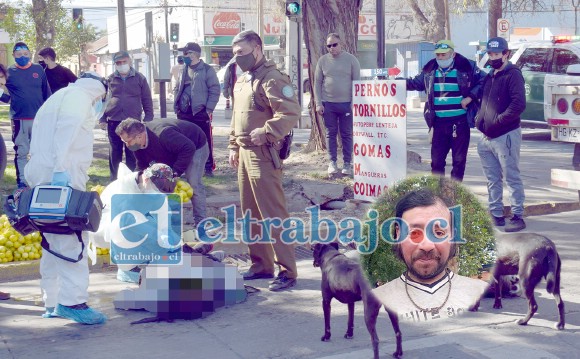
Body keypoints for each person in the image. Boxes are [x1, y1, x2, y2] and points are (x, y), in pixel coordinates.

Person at [23, 72, 108, 325]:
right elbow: (66, 132)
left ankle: (52, 301)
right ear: (99, 93)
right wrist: (61, 168)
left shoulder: (57, 97)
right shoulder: (80, 99)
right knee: (72, 242)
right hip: (62, 177)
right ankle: (73, 303)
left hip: (41, 175)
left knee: (51, 241)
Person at [229, 30, 301, 292]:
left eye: (242, 53)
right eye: (235, 54)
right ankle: (261, 264)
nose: (238, 59)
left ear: (257, 49)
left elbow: (291, 112)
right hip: (245, 153)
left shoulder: (272, 78)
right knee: (251, 214)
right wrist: (233, 145)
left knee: (273, 214)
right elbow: (238, 116)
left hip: (264, 154)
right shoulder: (243, 79)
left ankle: (288, 270)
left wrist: (268, 131)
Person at [373, 189, 488, 321]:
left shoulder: (480, 291)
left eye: (439, 233)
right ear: (398, 234)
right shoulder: (376, 300)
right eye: (414, 233)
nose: (427, 246)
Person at [403, 40, 484, 182]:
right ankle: (438, 194)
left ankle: (454, 192)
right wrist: (396, 82)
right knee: (437, 162)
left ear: (452, 54)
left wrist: (470, 97)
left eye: (443, 55)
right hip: (438, 123)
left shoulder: (467, 67)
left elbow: (484, 80)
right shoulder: (429, 70)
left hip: (460, 122)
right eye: (438, 55)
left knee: (459, 162)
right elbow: (415, 83)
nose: (440, 58)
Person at [115, 117, 209, 226]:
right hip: (172, 149)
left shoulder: (163, 134)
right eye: (124, 142)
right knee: (162, 186)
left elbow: (188, 148)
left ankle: (201, 223)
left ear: (139, 136)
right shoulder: (138, 145)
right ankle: (169, 224)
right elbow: (141, 165)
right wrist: (136, 180)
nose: (126, 145)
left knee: (194, 184)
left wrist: (175, 173)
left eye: (127, 141)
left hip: (195, 144)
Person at [476, 37, 527, 232]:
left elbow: (518, 104)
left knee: (511, 176)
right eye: (490, 54)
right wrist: (479, 121)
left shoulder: (512, 74)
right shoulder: (490, 75)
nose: (493, 57)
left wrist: (497, 122)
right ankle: (496, 214)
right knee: (492, 179)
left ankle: (517, 216)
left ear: (506, 54)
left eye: (497, 54)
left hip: (505, 135)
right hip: (486, 138)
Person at [100, 50, 154, 181]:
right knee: (115, 152)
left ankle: (132, 179)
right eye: (118, 63)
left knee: (133, 151)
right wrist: (102, 118)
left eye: (124, 61)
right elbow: (103, 100)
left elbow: (146, 98)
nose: (121, 64)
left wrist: (148, 117)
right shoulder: (109, 79)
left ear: (129, 61)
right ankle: (114, 180)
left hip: (133, 122)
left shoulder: (140, 78)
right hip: (114, 120)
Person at [314, 33, 361, 176]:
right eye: (329, 45)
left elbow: (357, 82)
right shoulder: (322, 61)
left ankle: (347, 163)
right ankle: (332, 162)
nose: (332, 48)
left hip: (347, 104)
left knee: (346, 134)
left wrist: (355, 102)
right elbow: (317, 82)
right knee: (330, 133)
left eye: (334, 44)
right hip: (328, 104)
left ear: (341, 44)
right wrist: (318, 103)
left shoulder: (351, 60)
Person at [6, 41, 51, 188]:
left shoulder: (38, 69)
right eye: (19, 55)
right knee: (22, 152)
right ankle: (23, 183)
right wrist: (5, 98)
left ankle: (38, 180)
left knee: (39, 151)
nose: (22, 57)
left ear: (30, 54)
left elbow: (47, 93)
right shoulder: (9, 72)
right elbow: (2, 91)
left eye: (25, 54)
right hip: (19, 120)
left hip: (39, 119)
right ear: (13, 55)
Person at [174, 42, 220, 177]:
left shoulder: (207, 70)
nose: (184, 56)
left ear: (194, 54)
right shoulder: (183, 69)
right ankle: (186, 167)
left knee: (205, 139)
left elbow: (215, 90)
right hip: (184, 112)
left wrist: (208, 109)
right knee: (185, 140)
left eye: (186, 53)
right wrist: (176, 107)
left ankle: (208, 167)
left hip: (200, 111)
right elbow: (178, 87)